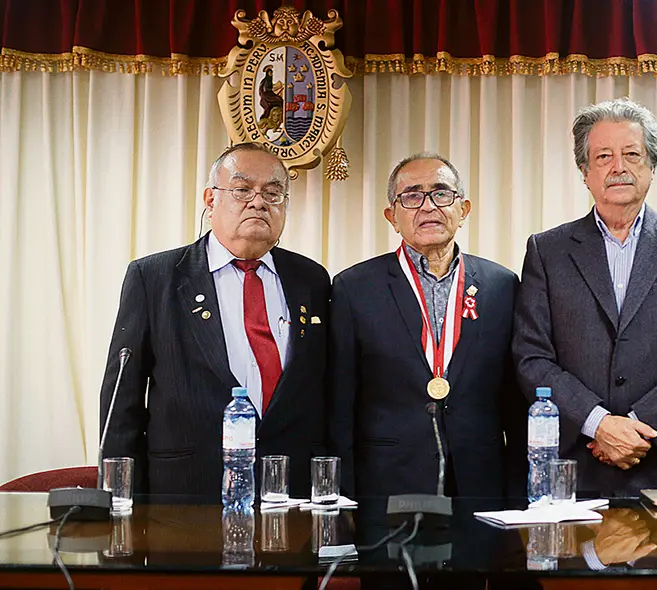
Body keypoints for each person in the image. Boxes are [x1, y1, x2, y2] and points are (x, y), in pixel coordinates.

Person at [512, 98, 657, 497]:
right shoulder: (548, 250)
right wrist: (599, 423)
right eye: (603, 156)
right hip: (575, 466)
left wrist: (638, 426)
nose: (618, 167)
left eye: (632, 154)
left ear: (652, 167)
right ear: (585, 173)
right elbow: (532, 356)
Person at [98, 142, 330, 498]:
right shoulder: (155, 278)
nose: (258, 202)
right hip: (186, 492)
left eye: (273, 193)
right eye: (242, 190)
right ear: (210, 199)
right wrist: (119, 500)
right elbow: (121, 402)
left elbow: (324, 393)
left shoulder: (311, 280)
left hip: (289, 493)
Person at [330, 153, 526, 499]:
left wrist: (518, 495)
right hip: (387, 484)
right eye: (412, 196)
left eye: (441, 193)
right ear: (392, 216)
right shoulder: (354, 288)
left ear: (463, 209)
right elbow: (340, 404)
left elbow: (515, 403)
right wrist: (344, 499)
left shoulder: (503, 286)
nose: (428, 206)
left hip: (481, 483)